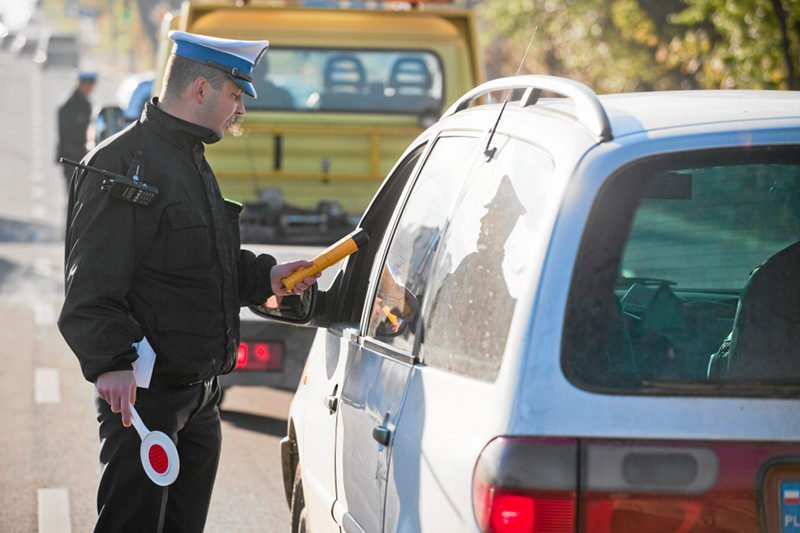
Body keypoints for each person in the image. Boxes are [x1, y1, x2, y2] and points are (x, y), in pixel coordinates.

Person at [57, 31, 319, 532]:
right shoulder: (123, 166)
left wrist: (266, 275)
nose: (238, 110)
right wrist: (110, 363)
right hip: (144, 398)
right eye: (235, 95)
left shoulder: (189, 159)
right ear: (201, 89)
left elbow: (205, 257)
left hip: (199, 398)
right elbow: (89, 286)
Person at [56, 71, 96, 182]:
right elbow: (68, 131)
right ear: (81, 84)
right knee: (73, 188)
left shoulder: (84, 102)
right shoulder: (71, 104)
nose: (91, 89)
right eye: (90, 86)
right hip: (72, 154)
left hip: (78, 152)